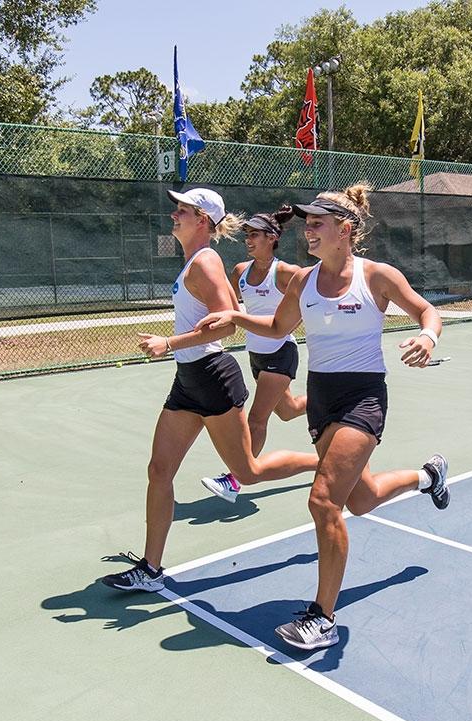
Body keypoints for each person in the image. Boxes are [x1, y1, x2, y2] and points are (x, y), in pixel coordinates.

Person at [197, 185, 450, 650]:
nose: (308, 230)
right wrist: (233, 316)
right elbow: (277, 328)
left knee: (323, 502)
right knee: (362, 498)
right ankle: (428, 476)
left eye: (317, 223)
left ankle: (323, 619)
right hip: (322, 399)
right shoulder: (303, 282)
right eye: (308, 223)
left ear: (344, 230)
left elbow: (425, 310)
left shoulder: (377, 277)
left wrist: (428, 337)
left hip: (363, 397)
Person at [102, 187, 319, 592]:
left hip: (213, 377)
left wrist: (168, 343)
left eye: (181, 211)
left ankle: (319, 464)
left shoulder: (206, 263)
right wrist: (175, 346)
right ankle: (151, 569)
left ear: (202, 220)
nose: (173, 216)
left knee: (247, 472)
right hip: (188, 380)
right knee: (159, 470)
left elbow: (225, 323)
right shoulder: (194, 263)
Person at [200, 206, 308, 503]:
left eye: (255, 235)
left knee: (257, 419)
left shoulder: (287, 273)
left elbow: (309, 304)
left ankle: (234, 480)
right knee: (287, 411)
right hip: (257, 356)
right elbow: (227, 307)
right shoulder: (240, 272)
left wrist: (288, 326)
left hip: (281, 352)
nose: (248, 240)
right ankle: (330, 400)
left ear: (272, 238)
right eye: (247, 235)